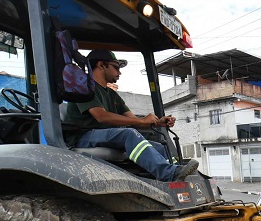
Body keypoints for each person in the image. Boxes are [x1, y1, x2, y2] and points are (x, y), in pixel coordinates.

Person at [62, 49, 198, 182]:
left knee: (159, 147)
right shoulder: (85, 88)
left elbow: (133, 120)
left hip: (103, 135)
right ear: (101, 65)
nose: (119, 72)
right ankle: (169, 174)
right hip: (83, 137)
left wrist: (156, 122)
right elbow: (101, 116)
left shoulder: (112, 94)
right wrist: (143, 121)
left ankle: (178, 173)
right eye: (116, 67)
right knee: (129, 134)